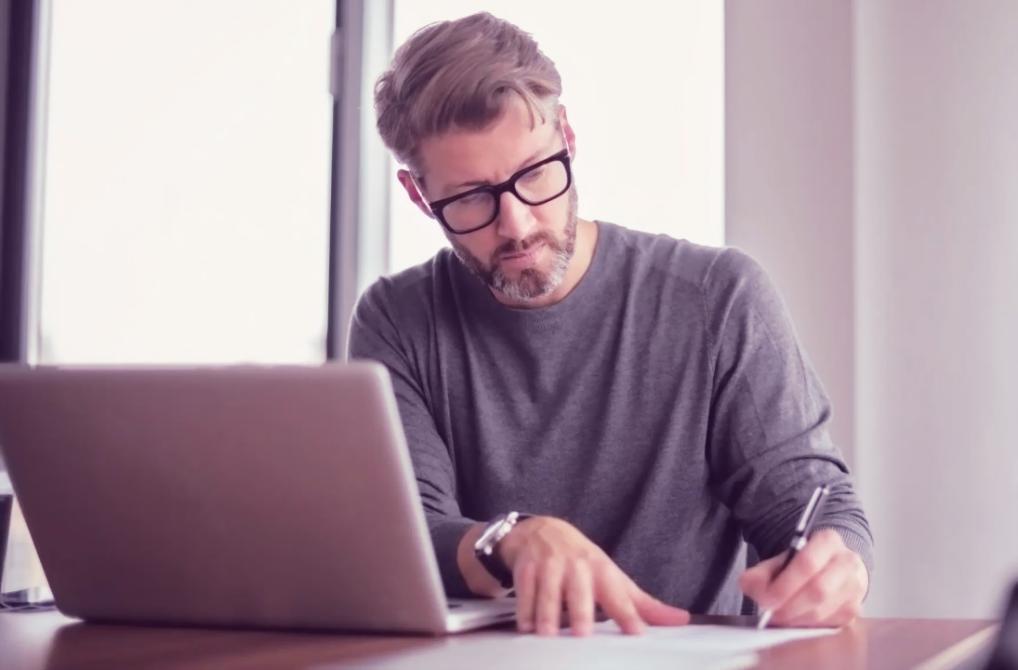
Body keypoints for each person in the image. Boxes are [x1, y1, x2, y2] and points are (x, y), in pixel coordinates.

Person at [348, 12, 872, 637]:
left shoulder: (717, 298)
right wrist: (510, 540)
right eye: (470, 199)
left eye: (534, 173)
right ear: (417, 195)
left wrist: (835, 568)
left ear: (566, 137)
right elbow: (406, 533)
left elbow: (812, 502)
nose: (515, 224)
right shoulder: (397, 319)